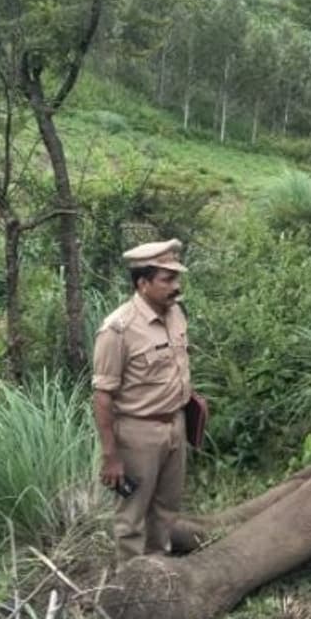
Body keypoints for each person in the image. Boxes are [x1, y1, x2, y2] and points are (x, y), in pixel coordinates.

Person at [93, 239, 193, 561]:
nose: (175, 287)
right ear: (143, 283)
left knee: (166, 510)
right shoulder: (118, 330)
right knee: (131, 518)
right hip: (137, 436)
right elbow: (103, 396)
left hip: (174, 426)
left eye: (176, 278)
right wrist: (111, 455)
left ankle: (156, 573)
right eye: (167, 279)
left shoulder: (176, 313)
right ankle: (131, 586)